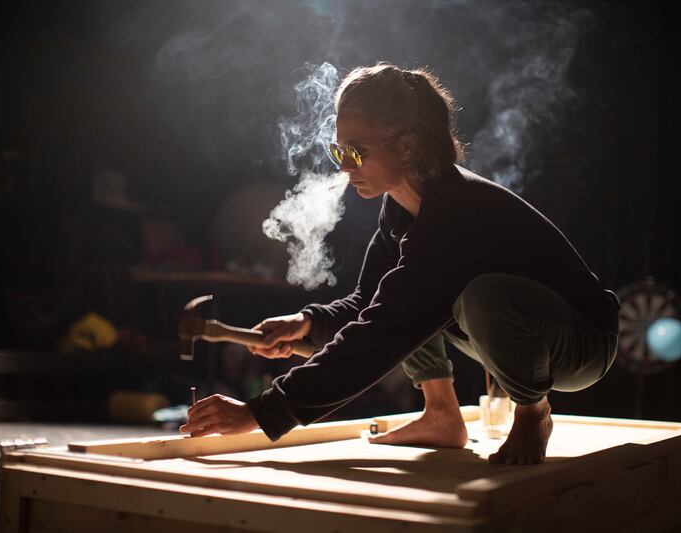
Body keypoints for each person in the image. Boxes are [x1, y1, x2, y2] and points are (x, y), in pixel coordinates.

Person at [180, 62, 620, 465]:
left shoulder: (456, 213)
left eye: (356, 151)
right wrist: (307, 324)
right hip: (519, 332)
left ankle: (533, 413)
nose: (345, 167)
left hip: (580, 344)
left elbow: (382, 334)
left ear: (408, 145)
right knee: (407, 296)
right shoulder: (401, 210)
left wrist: (261, 412)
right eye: (339, 153)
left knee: (472, 297)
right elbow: (370, 306)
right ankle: (442, 415)